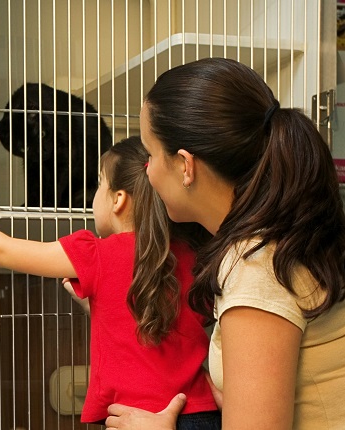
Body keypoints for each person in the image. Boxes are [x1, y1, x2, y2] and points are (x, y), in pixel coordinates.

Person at [0, 137, 220, 428]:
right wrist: (96, 305)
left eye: (100, 183)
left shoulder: (96, 254)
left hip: (135, 419)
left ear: (118, 200)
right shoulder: (193, 254)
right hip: (203, 414)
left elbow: (0, 249)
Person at [105, 58, 345, 430]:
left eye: (151, 155)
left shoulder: (255, 265)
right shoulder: (281, 231)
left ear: (186, 166)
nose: (148, 171)